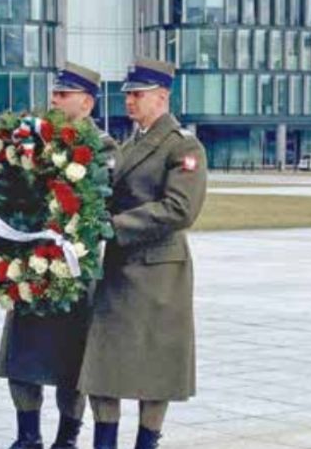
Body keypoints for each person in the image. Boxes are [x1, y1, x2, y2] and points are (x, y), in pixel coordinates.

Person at [79, 58, 208, 449]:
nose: (129, 102)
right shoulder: (130, 144)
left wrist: (114, 227)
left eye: (137, 95)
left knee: (155, 370)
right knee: (104, 365)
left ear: (162, 97)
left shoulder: (183, 145)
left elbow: (179, 209)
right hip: (120, 268)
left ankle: (146, 442)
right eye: (127, 95)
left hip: (158, 273)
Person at [0, 63, 117, 449]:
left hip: (74, 273)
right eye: (55, 93)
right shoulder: (33, 139)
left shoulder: (103, 146)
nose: (55, 99)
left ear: (87, 101)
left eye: (64, 94)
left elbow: (100, 206)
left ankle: (67, 439)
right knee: (22, 360)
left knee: (71, 365)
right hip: (31, 268)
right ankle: (27, 436)